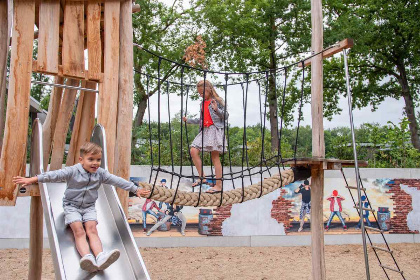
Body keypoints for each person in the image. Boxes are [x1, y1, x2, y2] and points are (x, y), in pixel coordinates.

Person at [13, 142, 150, 273]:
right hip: (71, 206)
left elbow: (117, 180)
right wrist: (32, 179)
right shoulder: (73, 171)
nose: (95, 163)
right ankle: (87, 258)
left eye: (98, 159)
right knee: (79, 231)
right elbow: (54, 175)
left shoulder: (100, 173)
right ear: (81, 159)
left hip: (89, 207)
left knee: (92, 229)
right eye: (91, 159)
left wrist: (135, 188)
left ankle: (100, 256)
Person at [182, 80, 228, 194]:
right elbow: (201, 119)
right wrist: (189, 120)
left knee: (215, 157)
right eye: (199, 93)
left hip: (215, 130)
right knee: (193, 150)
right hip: (205, 131)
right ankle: (202, 177)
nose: (200, 95)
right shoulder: (202, 104)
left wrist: (216, 109)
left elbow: (225, 115)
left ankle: (218, 185)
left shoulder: (217, 101)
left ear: (208, 90)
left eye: (202, 92)